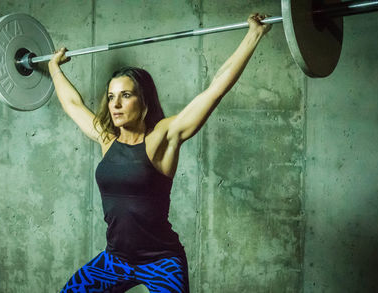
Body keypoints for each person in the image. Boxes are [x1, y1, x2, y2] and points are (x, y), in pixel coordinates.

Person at [48, 13, 271, 293]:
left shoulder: (164, 136)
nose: (115, 104)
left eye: (126, 95)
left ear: (144, 101)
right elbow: (72, 104)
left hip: (161, 261)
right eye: (111, 96)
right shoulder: (107, 138)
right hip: (115, 259)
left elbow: (215, 90)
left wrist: (254, 35)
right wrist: (54, 67)